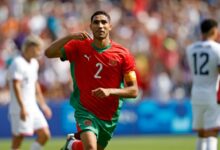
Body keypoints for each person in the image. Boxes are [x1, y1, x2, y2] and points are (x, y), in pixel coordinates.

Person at [45, 10, 138, 150]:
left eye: (104, 22)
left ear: (110, 26)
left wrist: (109, 91)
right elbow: (49, 53)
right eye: (96, 22)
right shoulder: (78, 46)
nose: (100, 26)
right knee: (90, 148)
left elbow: (134, 91)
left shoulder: (123, 54)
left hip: (109, 115)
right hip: (85, 109)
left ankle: (71, 145)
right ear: (90, 26)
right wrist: (70, 36)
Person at [7, 34, 52, 150]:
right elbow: (15, 85)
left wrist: (43, 105)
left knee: (45, 134)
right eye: (38, 48)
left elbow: (35, 84)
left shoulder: (34, 63)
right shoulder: (18, 63)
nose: (40, 52)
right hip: (19, 107)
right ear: (30, 47)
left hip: (33, 106)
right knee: (18, 139)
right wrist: (22, 107)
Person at [186, 18, 220, 150]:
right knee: (212, 132)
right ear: (213, 30)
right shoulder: (217, 48)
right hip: (212, 93)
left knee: (201, 133)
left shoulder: (191, 49)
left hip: (196, 93)